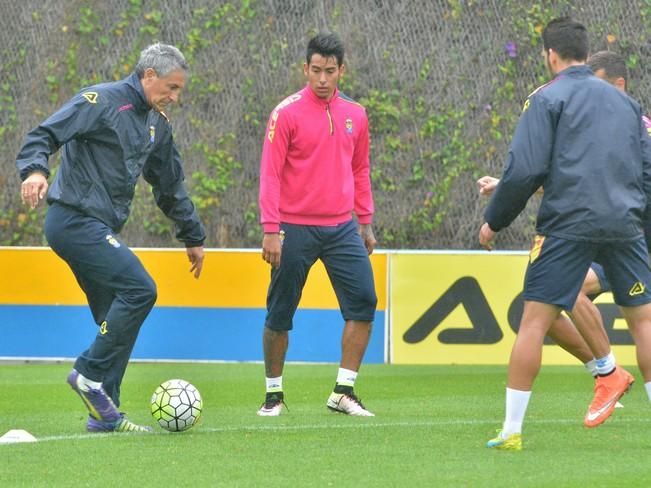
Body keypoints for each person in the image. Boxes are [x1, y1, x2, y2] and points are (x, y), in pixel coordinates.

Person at [478, 18, 651, 450]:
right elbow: (644, 172)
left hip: (567, 225)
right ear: (585, 51)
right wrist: (630, 214)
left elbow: (524, 170)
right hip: (624, 225)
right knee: (644, 322)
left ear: (549, 55)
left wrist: (494, 219)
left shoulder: (547, 98)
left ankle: (512, 431)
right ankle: (610, 375)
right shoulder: (626, 105)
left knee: (534, 321)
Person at [15, 43, 206, 433]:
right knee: (141, 290)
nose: (175, 97)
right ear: (148, 75)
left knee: (116, 318)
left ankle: (106, 414)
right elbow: (45, 134)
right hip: (72, 221)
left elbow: (170, 186)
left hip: (99, 229)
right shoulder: (100, 100)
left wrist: (193, 235)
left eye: (179, 90)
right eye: (171, 87)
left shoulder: (157, 125)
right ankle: (88, 373)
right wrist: (35, 171)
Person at [257, 32, 377, 417]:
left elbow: (360, 169)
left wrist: (366, 221)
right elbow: (270, 175)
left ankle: (343, 391)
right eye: (315, 70)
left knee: (364, 303)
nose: (322, 79)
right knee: (280, 312)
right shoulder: (286, 113)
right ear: (304, 69)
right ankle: (273, 396)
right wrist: (271, 228)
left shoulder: (355, 114)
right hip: (293, 228)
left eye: (330, 71)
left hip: (343, 228)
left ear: (342, 70)